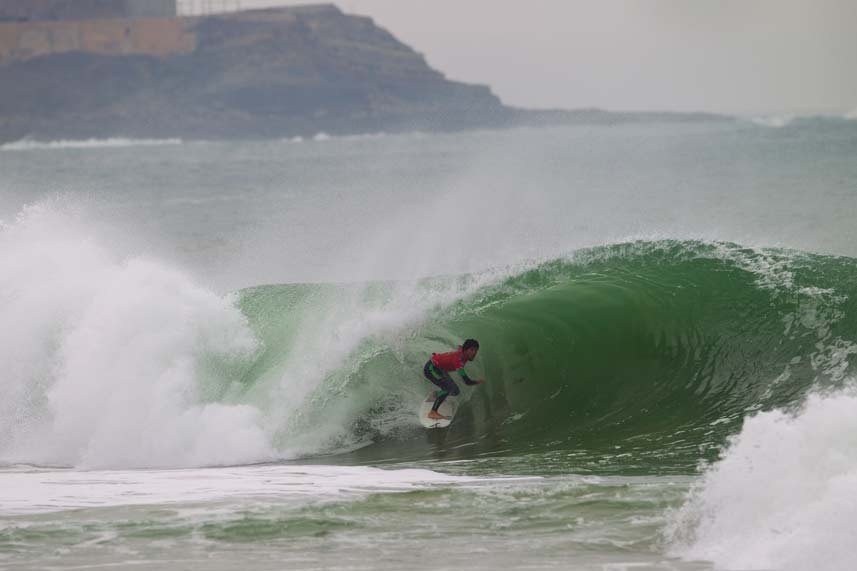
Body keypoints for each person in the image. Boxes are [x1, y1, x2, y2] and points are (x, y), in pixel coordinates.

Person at [423, 339, 485, 420]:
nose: (474, 353)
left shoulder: (462, 352)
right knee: (448, 389)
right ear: (465, 350)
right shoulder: (458, 361)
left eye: (476, 350)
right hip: (431, 368)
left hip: (440, 369)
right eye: (472, 350)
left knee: (455, 391)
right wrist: (478, 381)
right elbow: (467, 382)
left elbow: (460, 347)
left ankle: (436, 395)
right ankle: (432, 412)